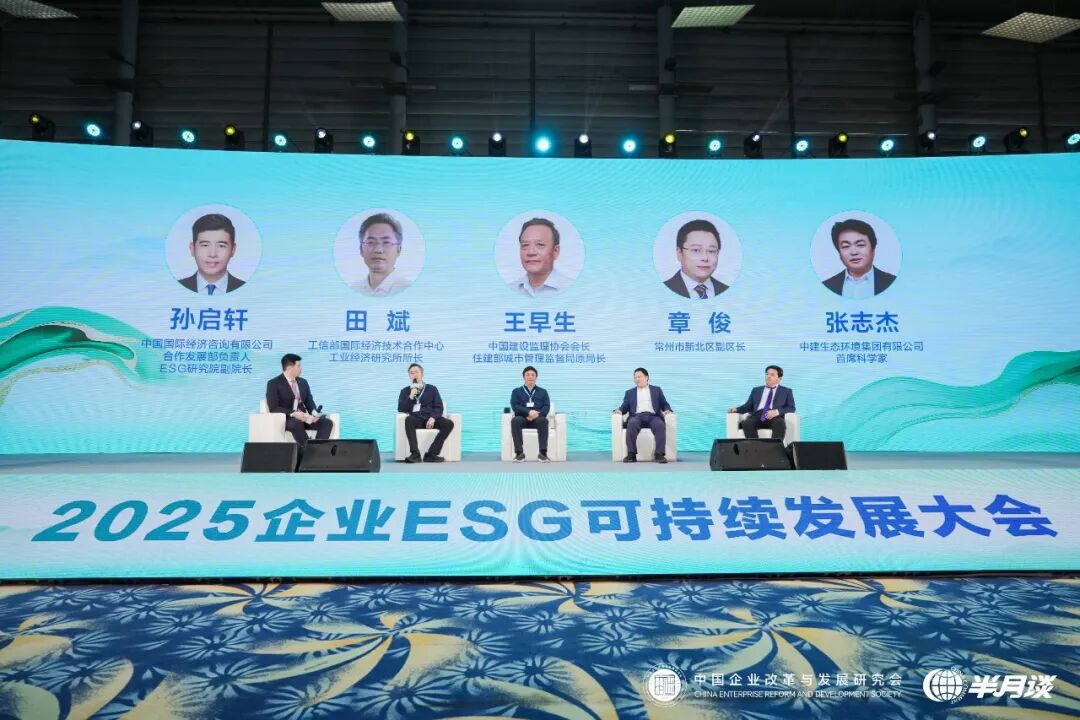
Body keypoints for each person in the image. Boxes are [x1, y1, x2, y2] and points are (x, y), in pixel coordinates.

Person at [265, 353, 334, 450]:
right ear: (290, 368)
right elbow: (274, 408)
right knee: (296, 423)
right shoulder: (274, 383)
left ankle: (316, 450)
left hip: (305, 418)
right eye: (298, 366)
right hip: (289, 419)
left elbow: (309, 402)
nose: (301, 369)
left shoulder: (303, 382)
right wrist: (294, 413)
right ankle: (310, 451)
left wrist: (314, 414)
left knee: (327, 423)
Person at [821, 218, 896, 298]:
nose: (854, 252)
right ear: (839, 252)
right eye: (846, 246)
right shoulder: (827, 285)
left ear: (873, 249)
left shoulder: (892, 282)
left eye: (860, 245)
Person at [397, 363, 454, 463]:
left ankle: (431, 454)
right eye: (412, 373)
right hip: (416, 419)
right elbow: (401, 409)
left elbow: (438, 406)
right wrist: (410, 396)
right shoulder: (405, 391)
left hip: (430, 417)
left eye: (417, 372)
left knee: (449, 423)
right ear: (409, 376)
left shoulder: (432, 389)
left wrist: (433, 418)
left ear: (422, 374)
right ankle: (415, 454)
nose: (414, 374)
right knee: (408, 420)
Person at [614, 367, 673, 463]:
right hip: (636, 417)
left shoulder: (656, 390)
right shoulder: (630, 392)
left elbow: (664, 403)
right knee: (631, 424)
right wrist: (620, 410)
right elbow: (625, 406)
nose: (637, 379)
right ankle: (631, 455)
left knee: (660, 425)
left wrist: (667, 410)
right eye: (635, 377)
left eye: (639, 377)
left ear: (646, 377)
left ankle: (659, 454)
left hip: (653, 416)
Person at [179, 213, 246, 294]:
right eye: (205, 245)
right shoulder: (176, 288)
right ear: (192, 249)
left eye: (221, 246)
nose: (212, 254)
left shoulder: (247, 289)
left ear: (233, 250)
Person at [663, 219, 729, 299]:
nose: (705, 258)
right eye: (696, 250)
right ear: (679, 253)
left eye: (711, 251)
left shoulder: (727, 290)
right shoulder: (663, 290)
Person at [728, 365, 796, 442]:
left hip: (775, 417)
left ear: (779, 378)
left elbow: (791, 407)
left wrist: (776, 412)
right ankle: (756, 447)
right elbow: (748, 406)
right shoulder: (756, 390)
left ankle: (774, 448)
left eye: (772, 375)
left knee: (780, 423)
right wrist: (736, 409)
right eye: (767, 374)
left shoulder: (786, 391)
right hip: (757, 415)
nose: (768, 376)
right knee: (747, 423)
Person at [509, 217, 573, 297]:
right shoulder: (510, 289)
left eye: (540, 245)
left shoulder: (572, 288)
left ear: (555, 251)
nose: (531, 252)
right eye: (525, 245)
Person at [354, 213, 412, 296]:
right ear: (361, 250)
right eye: (371, 242)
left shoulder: (408, 290)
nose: (378, 250)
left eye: (386, 242)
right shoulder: (353, 290)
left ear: (398, 250)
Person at [509, 365, 551, 462]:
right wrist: (528, 412)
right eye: (527, 375)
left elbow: (546, 406)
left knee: (544, 421)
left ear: (536, 377)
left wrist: (537, 414)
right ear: (523, 377)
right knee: (515, 420)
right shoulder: (516, 391)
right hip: (522, 418)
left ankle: (542, 453)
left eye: (533, 375)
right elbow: (515, 406)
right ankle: (519, 454)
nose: (530, 377)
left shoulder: (543, 391)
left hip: (537, 419)